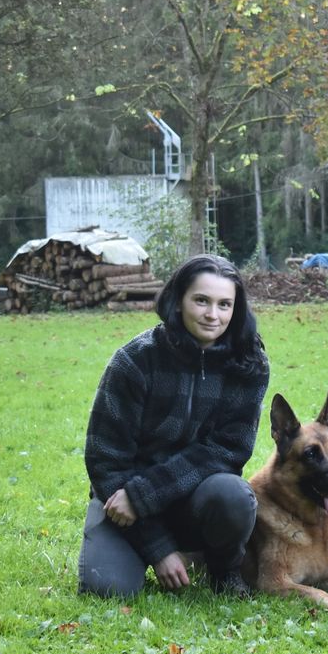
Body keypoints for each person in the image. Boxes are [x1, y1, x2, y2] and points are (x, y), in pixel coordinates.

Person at [78, 254, 269, 598]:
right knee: (107, 588)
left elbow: (227, 450)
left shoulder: (248, 363)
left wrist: (145, 495)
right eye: (201, 300)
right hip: (123, 501)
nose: (213, 315)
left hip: (191, 497)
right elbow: (105, 460)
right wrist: (159, 548)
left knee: (234, 495)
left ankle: (223, 569)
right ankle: (159, 553)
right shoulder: (135, 361)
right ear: (178, 301)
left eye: (225, 304)